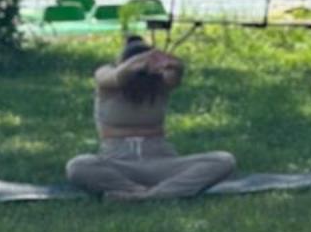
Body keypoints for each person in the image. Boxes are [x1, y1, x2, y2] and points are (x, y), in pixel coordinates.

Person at [66, 35, 236, 200]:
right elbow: (115, 77)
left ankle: (151, 195)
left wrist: (169, 62)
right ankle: (136, 190)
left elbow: (176, 74)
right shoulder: (107, 75)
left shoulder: (160, 82)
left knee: (224, 160)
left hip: (160, 160)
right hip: (118, 162)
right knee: (78, 166)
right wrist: (139, 61)